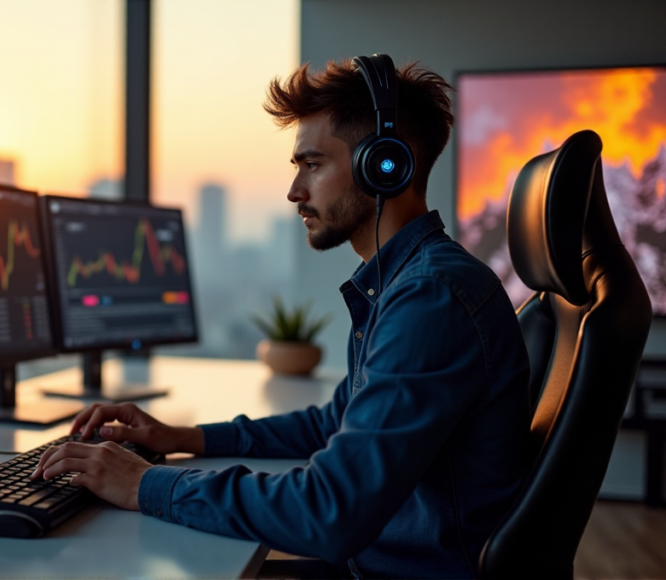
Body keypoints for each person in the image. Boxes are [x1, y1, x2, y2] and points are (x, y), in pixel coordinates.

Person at [31, 58, 531, 578]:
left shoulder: (430, 298)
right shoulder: (407, 284)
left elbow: (329, 511)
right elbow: (332, 423)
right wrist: (181, 438)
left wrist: (143, 484)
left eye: (312, 165)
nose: (295, 191)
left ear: (384, 165)